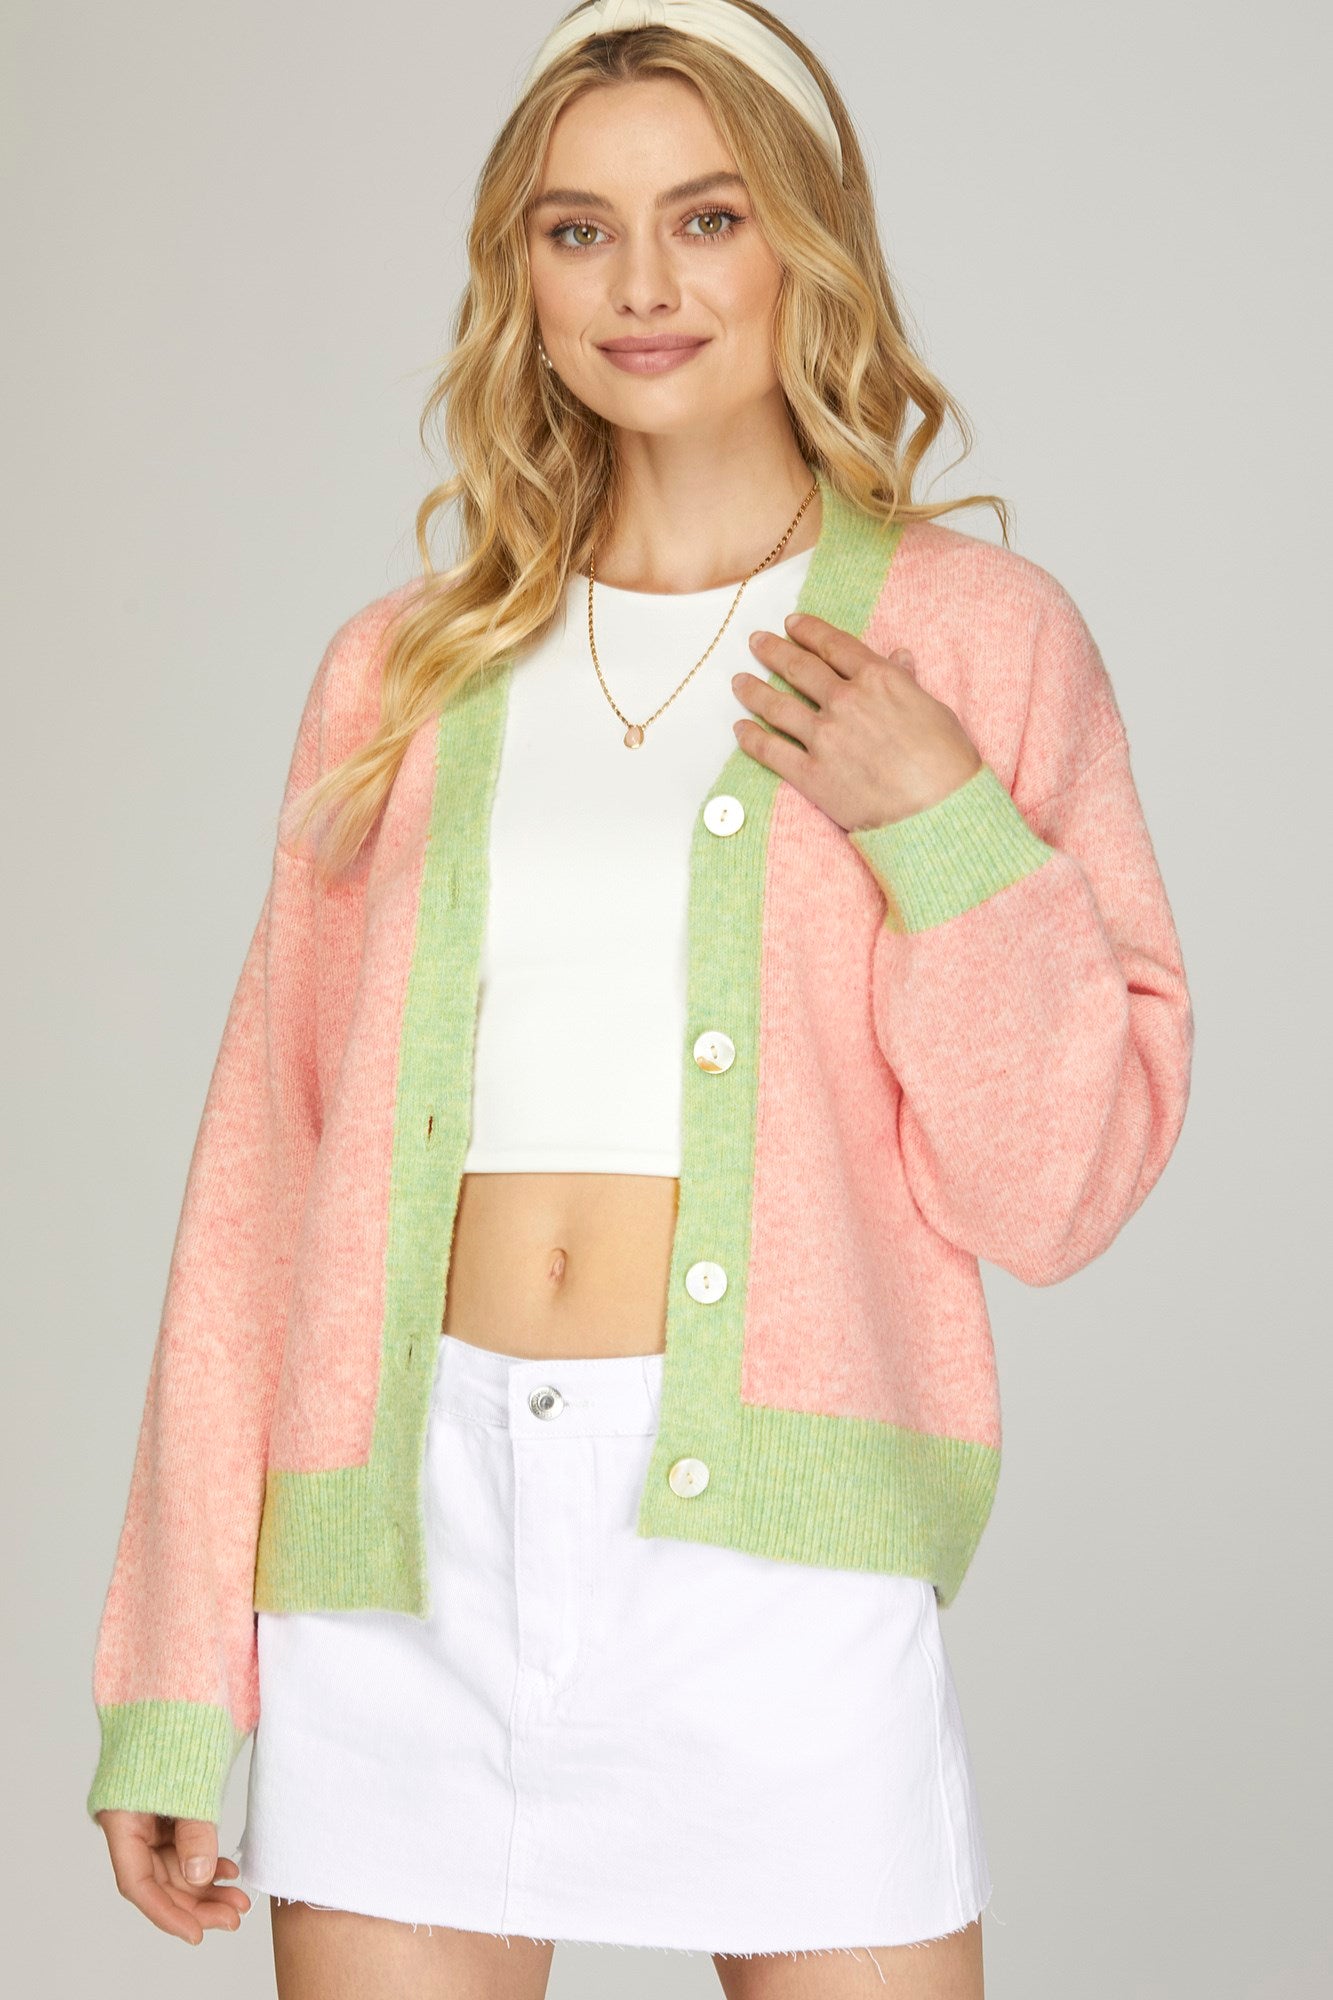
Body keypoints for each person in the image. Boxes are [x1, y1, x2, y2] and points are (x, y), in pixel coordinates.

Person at [85, 4, 1195, 1996]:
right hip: (401, 1561)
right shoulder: (402, 675)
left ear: (803, 241)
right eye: (575, 230)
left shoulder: (970, 642)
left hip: (775, 1564)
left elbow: (1060, 1186)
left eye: (706, 216)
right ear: (518, 274)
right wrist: (175, 1677)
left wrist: (942, 824)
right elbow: (260, 1177)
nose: (641, 285)